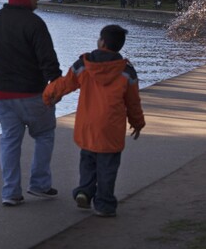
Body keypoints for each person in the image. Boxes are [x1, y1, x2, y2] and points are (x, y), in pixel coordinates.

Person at [42, 25, 145, 217]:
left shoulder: (84, 64)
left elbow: (65, 84)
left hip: (87, 126)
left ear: (102, 42)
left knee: (87, 161)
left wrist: (48, 95)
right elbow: (133, 102)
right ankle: (104, 204)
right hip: (111, 129)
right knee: (107, 168)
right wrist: (138, 123)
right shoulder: (127, 71)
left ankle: (84, 191)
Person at [0, 0, 62, 207]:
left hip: (2, 94)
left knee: (9, 141)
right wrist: (56, 84)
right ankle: (39, 183)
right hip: (32, 93)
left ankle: (10, 191)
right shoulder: (34, 23)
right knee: (45, 134)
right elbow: (48, 60)